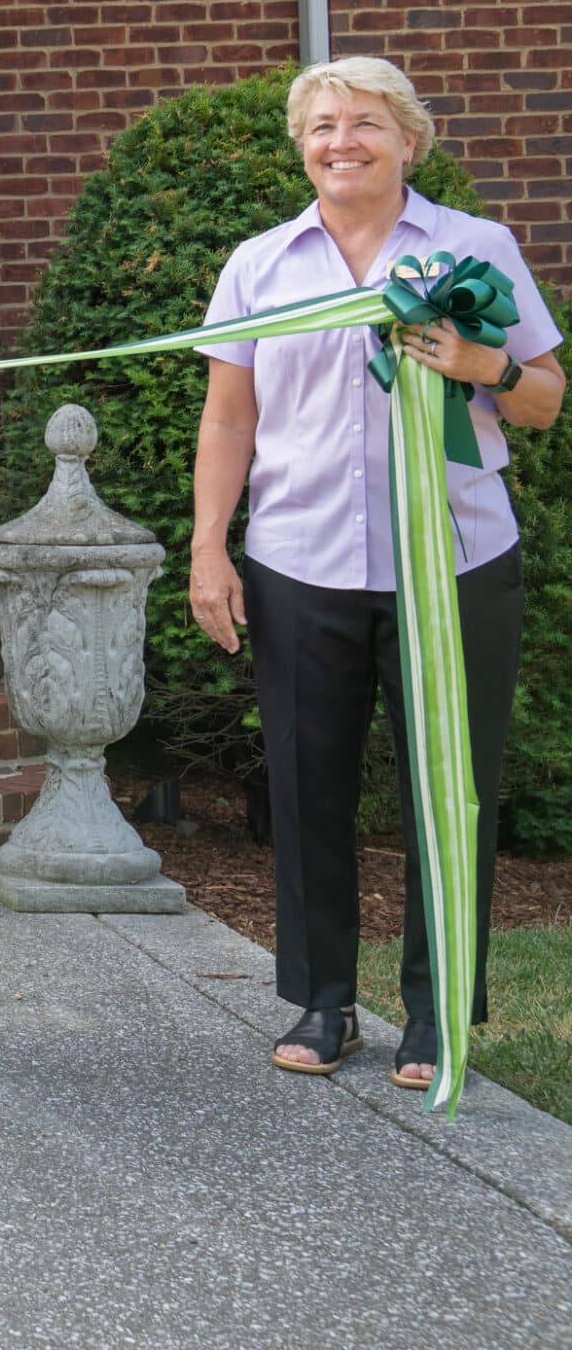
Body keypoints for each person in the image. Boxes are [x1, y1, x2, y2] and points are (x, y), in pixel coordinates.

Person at [189, 57, 562, 1087]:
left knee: (453, 792)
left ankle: (438, 1011)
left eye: (362, 122)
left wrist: (479, 363)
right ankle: (322, 999)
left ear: (408, 139)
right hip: (298, 559)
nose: (338, 139)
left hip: (454, 560)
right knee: (307, 788)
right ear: (299, 144)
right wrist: (207, 544)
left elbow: (542, 398)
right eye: (319, 124)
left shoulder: (473, 249)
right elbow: (229, 415)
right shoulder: (259, 264)